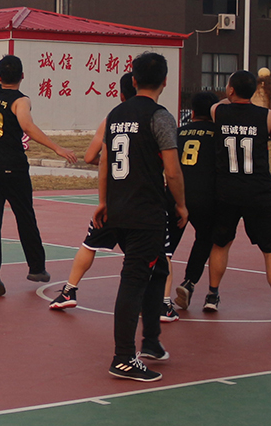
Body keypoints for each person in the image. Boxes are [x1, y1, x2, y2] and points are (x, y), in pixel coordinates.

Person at [93, 52, 187, 381]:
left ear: (133, 81)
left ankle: (151, 342)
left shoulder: (115, 114)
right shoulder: (160, 117)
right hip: (145, 212)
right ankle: (123, 357)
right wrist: (181, 204)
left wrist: (103, 201)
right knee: (134, 279)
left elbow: (104, 162)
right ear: (165, 81)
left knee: (157, 268)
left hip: (119, 207)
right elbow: (172, 171)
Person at [0, 26, 77, 296]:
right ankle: (36, 268)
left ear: (0, 76)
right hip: (12, 167)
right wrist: (57, 148)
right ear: (22, 76)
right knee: (25, 216)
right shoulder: (20, 101)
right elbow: (28, 127)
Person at [207, 70, 271, 322]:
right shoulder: (266, 116)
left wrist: (231, 95)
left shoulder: (219, 112)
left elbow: (220, 102)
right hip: (258, 191)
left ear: (231, 90)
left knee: (221, 244)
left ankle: (212, 295)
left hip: (226, 191)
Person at [49, 72, 136, 310]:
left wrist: (112, 164)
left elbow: (90, 157)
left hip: (114, 198)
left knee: (90, 244)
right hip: (141, 198)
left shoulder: (112, 118)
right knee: (156, 251)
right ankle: (163, 301)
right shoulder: (153, 116)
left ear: (121, 95)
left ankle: (69, 290)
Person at [171, 91, 220, 311]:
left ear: (192, 113)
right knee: (205, 238)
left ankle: (155, 286)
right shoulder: (218, 133)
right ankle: (189, 282)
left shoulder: (178, 132)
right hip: (205, 196)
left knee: (167, 244)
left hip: (176, 194)